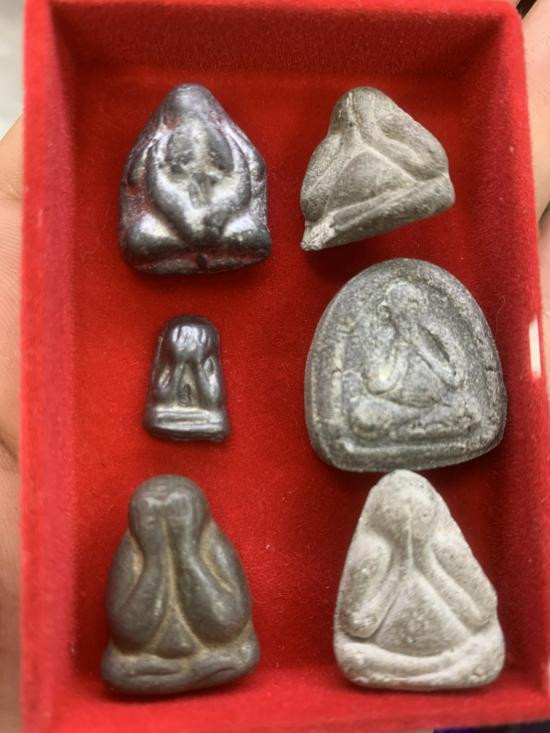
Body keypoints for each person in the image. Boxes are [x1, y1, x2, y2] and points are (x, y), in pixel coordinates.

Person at [0, 1, 549, 729]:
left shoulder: (275, 165)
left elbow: (249, 180)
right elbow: (178, 618)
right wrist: (176, 558)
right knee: (352, 407)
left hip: (400, 395)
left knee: (420, 410)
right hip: (208, 253)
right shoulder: (166, 153)